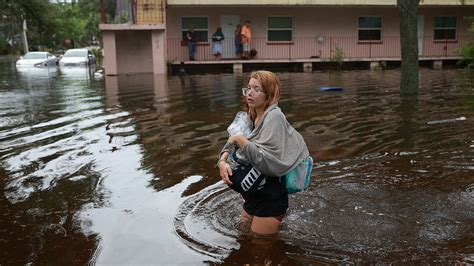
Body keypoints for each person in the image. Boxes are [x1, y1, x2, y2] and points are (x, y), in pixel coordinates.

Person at [217, 70, 310, 235]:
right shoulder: (251, 115)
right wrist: (222, 161)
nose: (250, 93)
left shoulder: (275, 117)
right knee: (242, 235)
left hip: (270, 197)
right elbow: (231, 141)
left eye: (256, 89)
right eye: (248, 88)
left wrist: (241, 140)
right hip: (253, 193)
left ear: (270, 93)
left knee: (260, 246)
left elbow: (267, 162)